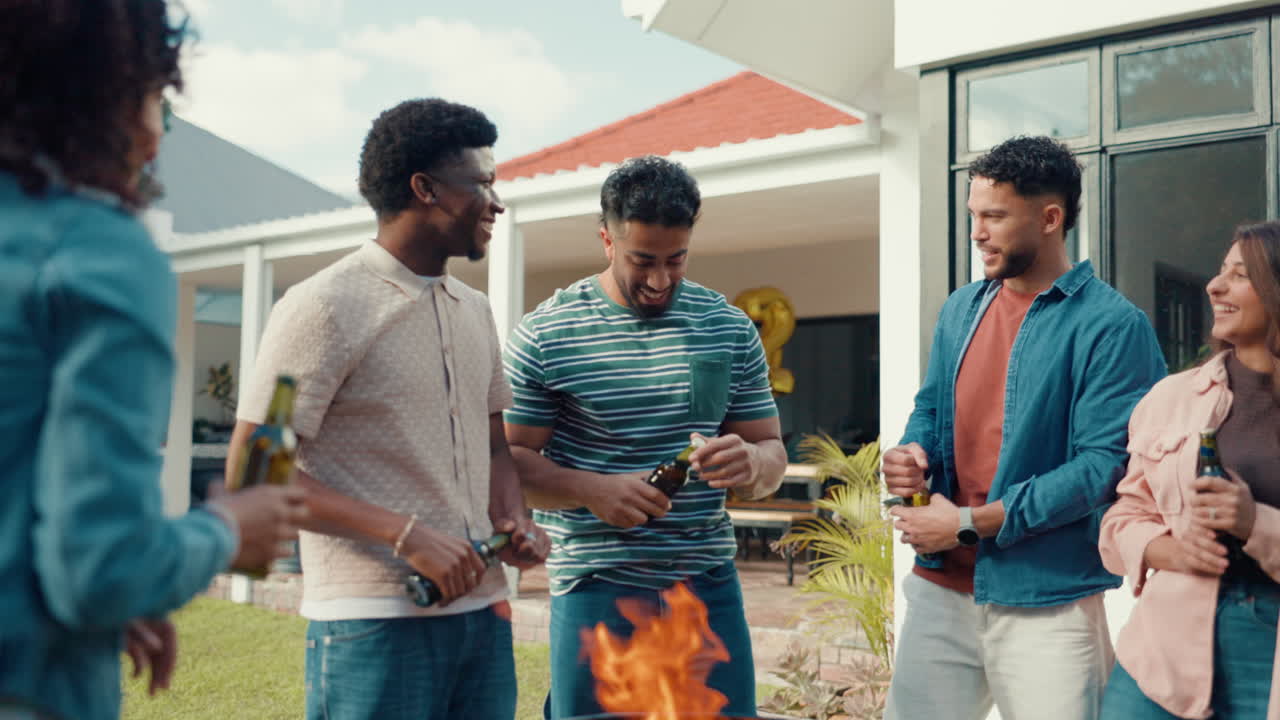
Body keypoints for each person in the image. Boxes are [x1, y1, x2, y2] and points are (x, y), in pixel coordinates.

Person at [0, 2, 306, 719]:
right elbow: (100, 567)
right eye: (154, 96)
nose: (156, 134)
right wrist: (230, 527)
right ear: (103, 88)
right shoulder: (95, 251)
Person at [227, 98, 549, 720]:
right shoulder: (322, 306)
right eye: (481, 184)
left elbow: (491, 447)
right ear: (425, 189)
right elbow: (256, 468)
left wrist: (512, 518)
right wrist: (405, 536)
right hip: (373, 626)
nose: (497, 202)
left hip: (483, 619)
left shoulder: (473, 310)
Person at [882, 135, 1166, 720]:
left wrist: (966, 524)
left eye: (994, 216)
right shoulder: (961, 308)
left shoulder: (1113, 326)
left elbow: (1100, 469)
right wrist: (913, 451)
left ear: (1049, 219)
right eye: (973, 216)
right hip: (941, 592)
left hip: (1047, 603)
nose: (976, 232)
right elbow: (932, 408)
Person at [503, 154, 788, 719]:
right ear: (606, 240)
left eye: (675, 260)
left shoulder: (727, 327)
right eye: (643, 261)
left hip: (705, 580)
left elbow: (772, 454)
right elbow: (508, 463)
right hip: (595, 583)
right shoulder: (547, 334)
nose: (660, 280)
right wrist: (593, 490)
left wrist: (752, 464)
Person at [1099, 221, 1280, 720]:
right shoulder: (1171, 398)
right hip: (1161, 648)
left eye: (1240, 275)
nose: (1214, 286)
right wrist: (1170, 550)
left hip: (1268, 648)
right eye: (1219, 272)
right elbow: (1122, 520)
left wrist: (1254, 523)